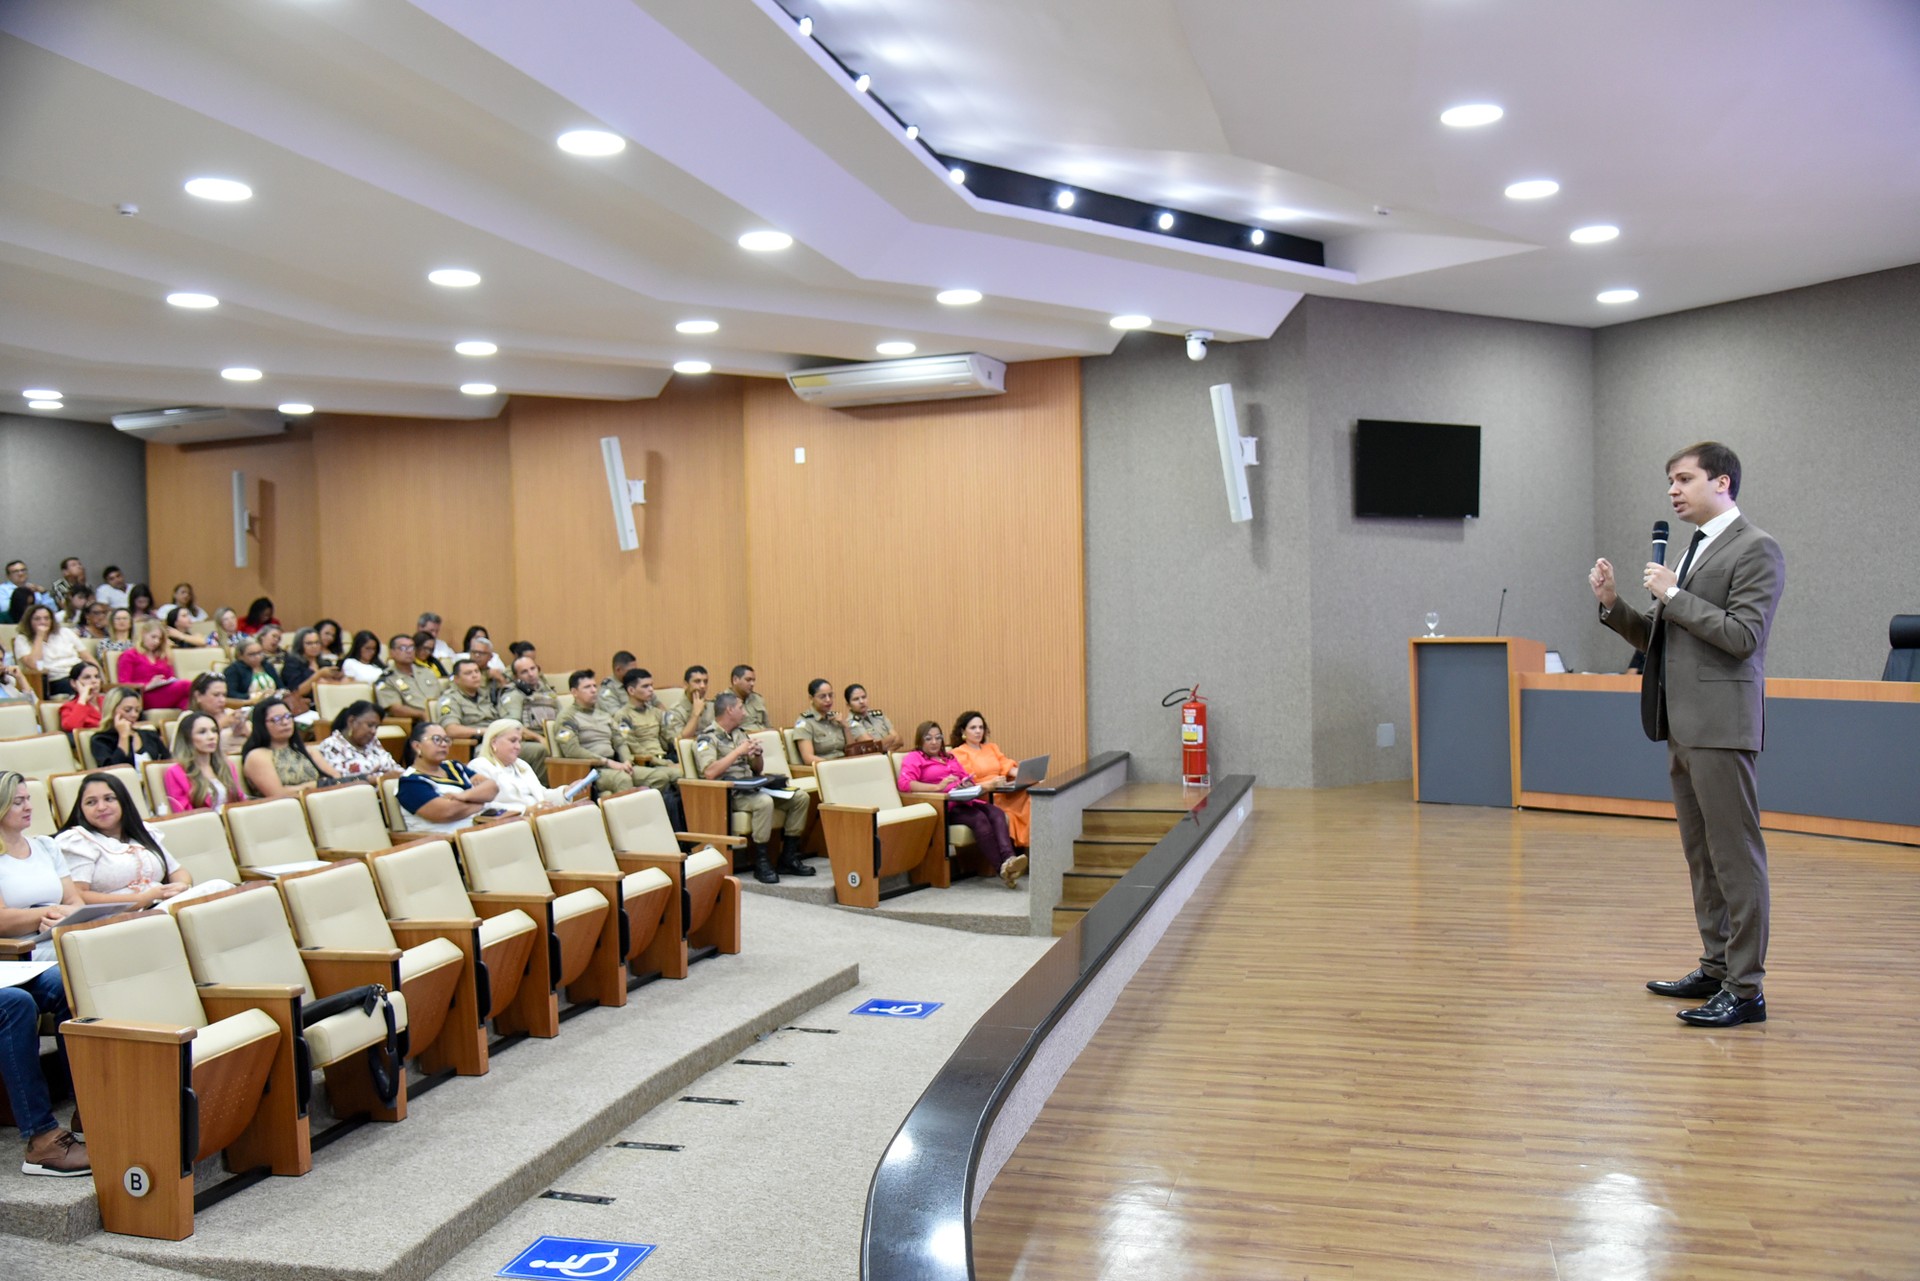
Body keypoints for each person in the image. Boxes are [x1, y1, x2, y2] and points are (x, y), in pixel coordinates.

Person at [1590, 441, 1786, 1030]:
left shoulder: (1757, 548)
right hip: (1683, 725)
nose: (1673, 490)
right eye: (1670, 482)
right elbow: (1664, 637)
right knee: (1702, 857)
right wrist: (1614, 605)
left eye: (1684, 479)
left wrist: (1673, 594)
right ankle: (1717, 964)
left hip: (1722, 728)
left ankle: (1746, 988)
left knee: (1735, 856)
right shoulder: (1697, 548)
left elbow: (1743, 636)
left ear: (1722, 483)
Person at [0, 770, 91, 1177]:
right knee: (16, 1004)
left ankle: (90, 1109)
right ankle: (41, 1140)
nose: (28, 807)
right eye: (17, 801)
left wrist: (59, 915)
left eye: (27, 799)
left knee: (75, 984)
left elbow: (74, 900)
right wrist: (44, 914)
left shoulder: (45, 845)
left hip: (44, 953)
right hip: (13, 958)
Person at [694, 690, 812, 884]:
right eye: (741, 708)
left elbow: (757, 770)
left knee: (800, 798)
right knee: (764, 802)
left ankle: (788, 857)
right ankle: (761, 861)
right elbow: (709, 772)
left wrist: (757, 755)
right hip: (729, 793)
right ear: (730, 710)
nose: (745, 713)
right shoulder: (707, 738)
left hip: (752, 786)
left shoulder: (740, 734)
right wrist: (738, 751)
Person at [900, 720, 1025, 887]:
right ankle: (1001, 868)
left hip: (965, 799)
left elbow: (964, 776)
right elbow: (905, 784)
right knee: (979, 819)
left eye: (938, 738)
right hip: (945, 805)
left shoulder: (948, 757)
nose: (934, 742)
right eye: (928, 738)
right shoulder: (914, 758)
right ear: (920, 740)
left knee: (996, 813)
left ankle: (1009, 858)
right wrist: (938, 786)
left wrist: (965, 783)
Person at [56, 772, 191, 905]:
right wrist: (141, 899)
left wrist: (181, 886)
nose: (101, 807)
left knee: (212, 887)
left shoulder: (143, 831)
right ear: (81, 809)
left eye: (109, 799)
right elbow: (78, 895)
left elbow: (177, 871)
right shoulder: (76, 841)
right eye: (91, 802)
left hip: (162, 904)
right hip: (117, 919)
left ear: (123, 801)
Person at [610, 667, 684, 826]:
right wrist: (665, 763)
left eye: (651, 685)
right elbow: (633, 746)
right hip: (645, 763)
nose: (651, 690)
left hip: (665, 760)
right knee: (674, 776)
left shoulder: (656, 712)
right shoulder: (623, 715)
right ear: (631, 690)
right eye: (645, 686)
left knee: (691, 776)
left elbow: (670, 737)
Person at [396, 721, 498, 834]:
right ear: (417, 746)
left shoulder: (454, 766)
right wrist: (480, 800)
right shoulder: (410, 782)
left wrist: (463, 796)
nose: (444, 744)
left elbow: (492, 787)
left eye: (446, 740)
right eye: (436, 739)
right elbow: (447, 812)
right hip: (444, 842)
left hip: (476, 832)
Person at [553, 669, 639, 797]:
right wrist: (606, 762)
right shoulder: (567, 718)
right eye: (587, 687)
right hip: (591, 771)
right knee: (623, 779)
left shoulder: (604, 715)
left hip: (615, 765)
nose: (594, 690)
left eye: (594, 686)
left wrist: (627, 761)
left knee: (662, 776)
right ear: (574, 692)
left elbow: (619, 741)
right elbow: (572, 750)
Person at [951, 710, 1031, 848]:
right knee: (1026, 803)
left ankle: (1033, 849)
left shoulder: (991, 747)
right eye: (973, 728)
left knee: (1033, 796)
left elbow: (1005, 764)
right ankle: (1023, 848)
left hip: (1003, 790)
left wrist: (1026, 774)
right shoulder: (959, 752)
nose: (978, 731)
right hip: (985, 795)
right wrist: (991, 784)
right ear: (963, 731)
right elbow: (969, 781)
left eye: (981, 727)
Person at [240, 697, 336, 798]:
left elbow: (335, 779)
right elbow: (278, 794)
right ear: (261, 725)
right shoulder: (258, 756)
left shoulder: (307, 750)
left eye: (288, 716)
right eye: (277, 719)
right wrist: (315, 785)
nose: (285, 722)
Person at [470, 719, 570, 814]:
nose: (518, 747)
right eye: (513, 741)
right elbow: (484, 806)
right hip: (509, 824)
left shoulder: (521, 764)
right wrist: (525, 810)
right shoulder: (479, 766)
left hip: (535, 818)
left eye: (519, 741)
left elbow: (541, 795)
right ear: (494, 743)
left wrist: (565, 792)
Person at [162, 712, 244, 813]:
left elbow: (240, 802)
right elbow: (183, 813)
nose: (212, 736)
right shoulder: (175, 772)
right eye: (202, 732)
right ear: (188, 738)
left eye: (214, 731)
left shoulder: (227, 765)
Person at [116, 620, 192, 709]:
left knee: (187, 701)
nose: (156, 642)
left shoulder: (163, 656)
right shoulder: (129, 655)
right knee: (186, 685)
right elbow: (123, 684)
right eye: (153, 637)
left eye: (159, 639)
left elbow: (171, 678)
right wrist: (147, 686)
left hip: (165, 693)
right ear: (143, 634)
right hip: (144, 696)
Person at [314, 701, 400, 778]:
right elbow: (341, 781)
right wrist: (379, 776)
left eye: (376, 727)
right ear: (351, 721)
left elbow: (395, 769)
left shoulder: (373, 742)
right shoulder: (331, 746)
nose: (373, 731)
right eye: (370, 725)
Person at [13, 604, 85, 696]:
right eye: (37, 619)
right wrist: (40, 636)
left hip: (79, 673)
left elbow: (87, 656)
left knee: (92, 681)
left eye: (46, 618)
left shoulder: (65, 632)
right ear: (29, 621)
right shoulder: (22, 639)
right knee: (78, 686)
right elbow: (33, 665)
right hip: (55, 679)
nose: (43, 622)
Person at [91, 686, 169, 769]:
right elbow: (116, 771)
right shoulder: (100, 740)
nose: (134, 715)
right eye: (127, 710)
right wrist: (123, 737)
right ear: (112, 710)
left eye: (137, 710)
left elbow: (168, 762)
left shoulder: (150, 734)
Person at [793, 678, 865, 766]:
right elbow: (808, 758)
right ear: (811, 698)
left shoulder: (835, 719)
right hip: (825, 768)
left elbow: (852, 750)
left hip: (845, 764)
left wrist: (845, 727)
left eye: (830, 695)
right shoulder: (805, 722)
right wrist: (834, 765)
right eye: (822, 696)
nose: (828, 700)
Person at [433, 658, 500, 746]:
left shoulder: (487, 695)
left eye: (477, 671)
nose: (475, 675)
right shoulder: (449, 699)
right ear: (456, 679)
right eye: (468, 673)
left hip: (499, 738)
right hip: (476, 743)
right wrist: (481, 731)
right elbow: (451, 730)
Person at [374, 634, 439, 723]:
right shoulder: (387, 679)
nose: (409, 652)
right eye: (403, 648)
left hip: (441, 716)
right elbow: (395, 709)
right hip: (417, 721)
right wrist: (422, 714)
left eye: (412, 648)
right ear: (392, 652)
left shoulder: (427, 672)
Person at [280, 627, 342, 709]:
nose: (314, 646)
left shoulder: (325, 663)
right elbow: (297, 692)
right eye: (309, 643)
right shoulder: (292, 664)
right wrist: (319, 674)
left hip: (330, 702)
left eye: (317, 643)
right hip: (307, 706)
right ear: (300, 645)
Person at [189, 672, 249, 754]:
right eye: (216, 695)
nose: (222, 700)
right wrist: (221, 724)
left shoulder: (232, 714)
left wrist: (245, 731)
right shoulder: (188, 718)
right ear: (198, 696)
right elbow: (185, 748)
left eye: (224, 695)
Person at [845, 684, 904, 753]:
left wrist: (883, 748)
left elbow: (900, 740)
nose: (861, 701)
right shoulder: (852, 722)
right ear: (848, 705)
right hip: (870, 761)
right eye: (856, 699)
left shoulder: (878, 715)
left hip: (888, 757)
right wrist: (891, 738)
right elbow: (871, 747)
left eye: (864, 697)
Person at [222, 635, 283, 702]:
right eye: (252, 654)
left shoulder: (267, 665)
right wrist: (256, 696)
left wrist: (279, 692)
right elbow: (231, 694)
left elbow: (281, 686)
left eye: (260, 653)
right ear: (240, 656)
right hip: (247, 705)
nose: (258, 657)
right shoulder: (233, 670)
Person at [665, 664, 713, 745]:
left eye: (705, 682)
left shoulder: (712, 706)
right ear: (686, 684)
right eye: (697, 681)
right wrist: (695, 714)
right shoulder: (674, 711)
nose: (702, 686)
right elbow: (679, 742)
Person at [58, 661, 105, 732]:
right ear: (74, 683)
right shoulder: (69, 707)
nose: (94, 681)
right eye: (87, 677)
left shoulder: (108, 700)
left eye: (96, 677)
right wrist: (83, 699)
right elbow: (71, 727)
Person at [95, 607, 136, 676]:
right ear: (112, 622)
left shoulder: (137, 643)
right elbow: (104, 664)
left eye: (125, 618)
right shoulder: (104, 643)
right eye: (118, 619)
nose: (121, 621)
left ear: (131, 622)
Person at [729, 664, 770, 731]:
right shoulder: (723, 701)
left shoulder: (758, 699)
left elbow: (767, 725)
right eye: (748, 680)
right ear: (735, 680)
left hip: (763, 737)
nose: (752, 684)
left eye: (753, 680)